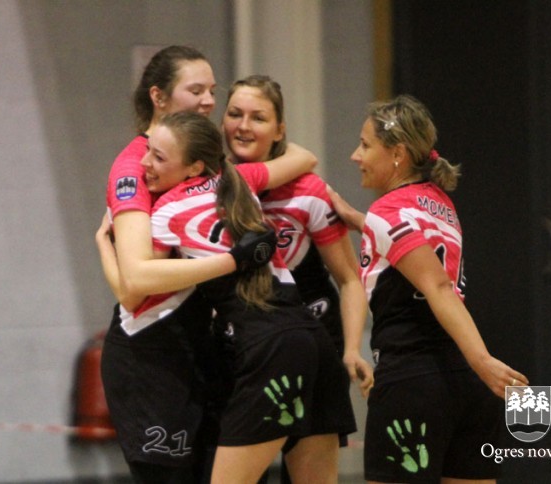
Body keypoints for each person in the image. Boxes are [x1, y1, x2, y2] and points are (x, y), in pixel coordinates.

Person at [100, 110, 356, 483]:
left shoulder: (168, 208)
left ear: (194, 167)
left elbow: (133, 289)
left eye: (159, 157)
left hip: (269, 348)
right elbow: (303, 157)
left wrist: (103, 245)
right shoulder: (240, 180)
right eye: (148, 151)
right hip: (314, 340)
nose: (144, 164)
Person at [98, 45, 303, 483]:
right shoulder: (137, 168)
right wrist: (233, 261)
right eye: (196, 91)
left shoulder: (213, 168)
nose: (210, 102)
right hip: (152, 344)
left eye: (213, 91)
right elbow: (134, 282)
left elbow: (302, 158)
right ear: (158, 97)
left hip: (203, 343)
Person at [327, 95, 528, 484]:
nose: (355, 155)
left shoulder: (388, 211)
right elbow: (411, 249)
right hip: (468, 387)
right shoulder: (440, 203)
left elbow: (436, 285)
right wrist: (359, 220)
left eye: (365, 145)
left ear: (398, 154)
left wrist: (484, 361)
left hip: (412, 383)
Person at [221, 75, 373, 482]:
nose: (243, 126)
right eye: (234, 114)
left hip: (310, 345)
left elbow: (349, 280)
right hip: (242, 349)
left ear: (279, 130)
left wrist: (352, 349)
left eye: (258, 117)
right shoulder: (211, 188)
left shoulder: (308, 192)